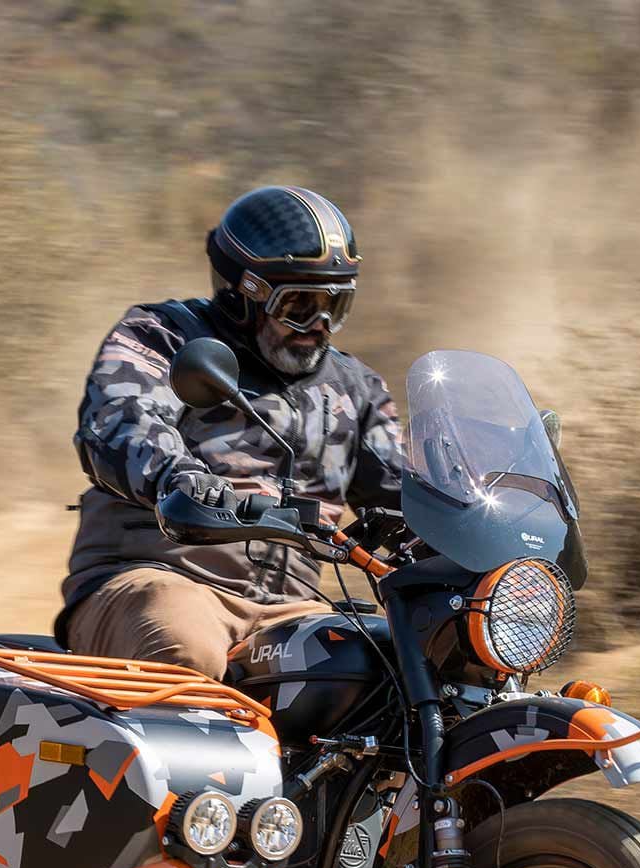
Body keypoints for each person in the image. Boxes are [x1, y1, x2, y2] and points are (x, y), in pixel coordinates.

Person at [59, 185, 410, 679]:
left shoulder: (357, 389)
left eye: (337, 305)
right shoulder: (163, 338)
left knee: (394, 678)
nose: (320, 326)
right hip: (158, 582)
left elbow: (405, 494)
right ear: (243, 294)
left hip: (294, 611)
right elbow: (120, 419)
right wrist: (177, 477)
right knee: (186, 653)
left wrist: (476, 531)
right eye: (301, 305)